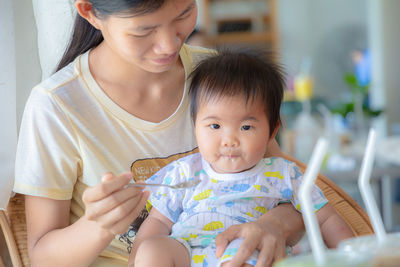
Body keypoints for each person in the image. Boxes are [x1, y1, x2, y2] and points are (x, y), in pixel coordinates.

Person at [14, 1, 308, 266]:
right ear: (90, 12)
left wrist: (275, 225)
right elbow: (42, 257)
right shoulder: (57, 105)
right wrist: (99, 225)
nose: (169, 45)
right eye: (144, 31)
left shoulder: (216, 78)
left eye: (184, 13)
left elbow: (290, 190)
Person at [129, 49, 354, 267]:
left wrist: (354, 255)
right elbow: (158, 221)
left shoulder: (283, 173)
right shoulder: (184, 172)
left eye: (246, 127)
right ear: (195, 125)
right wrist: (136, 260)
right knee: (152, 249)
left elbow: (326, 219)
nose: (229, 140)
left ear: (271, 132)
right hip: (185, 252)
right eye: (215, 125)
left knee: (247, 251)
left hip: (246, 251)